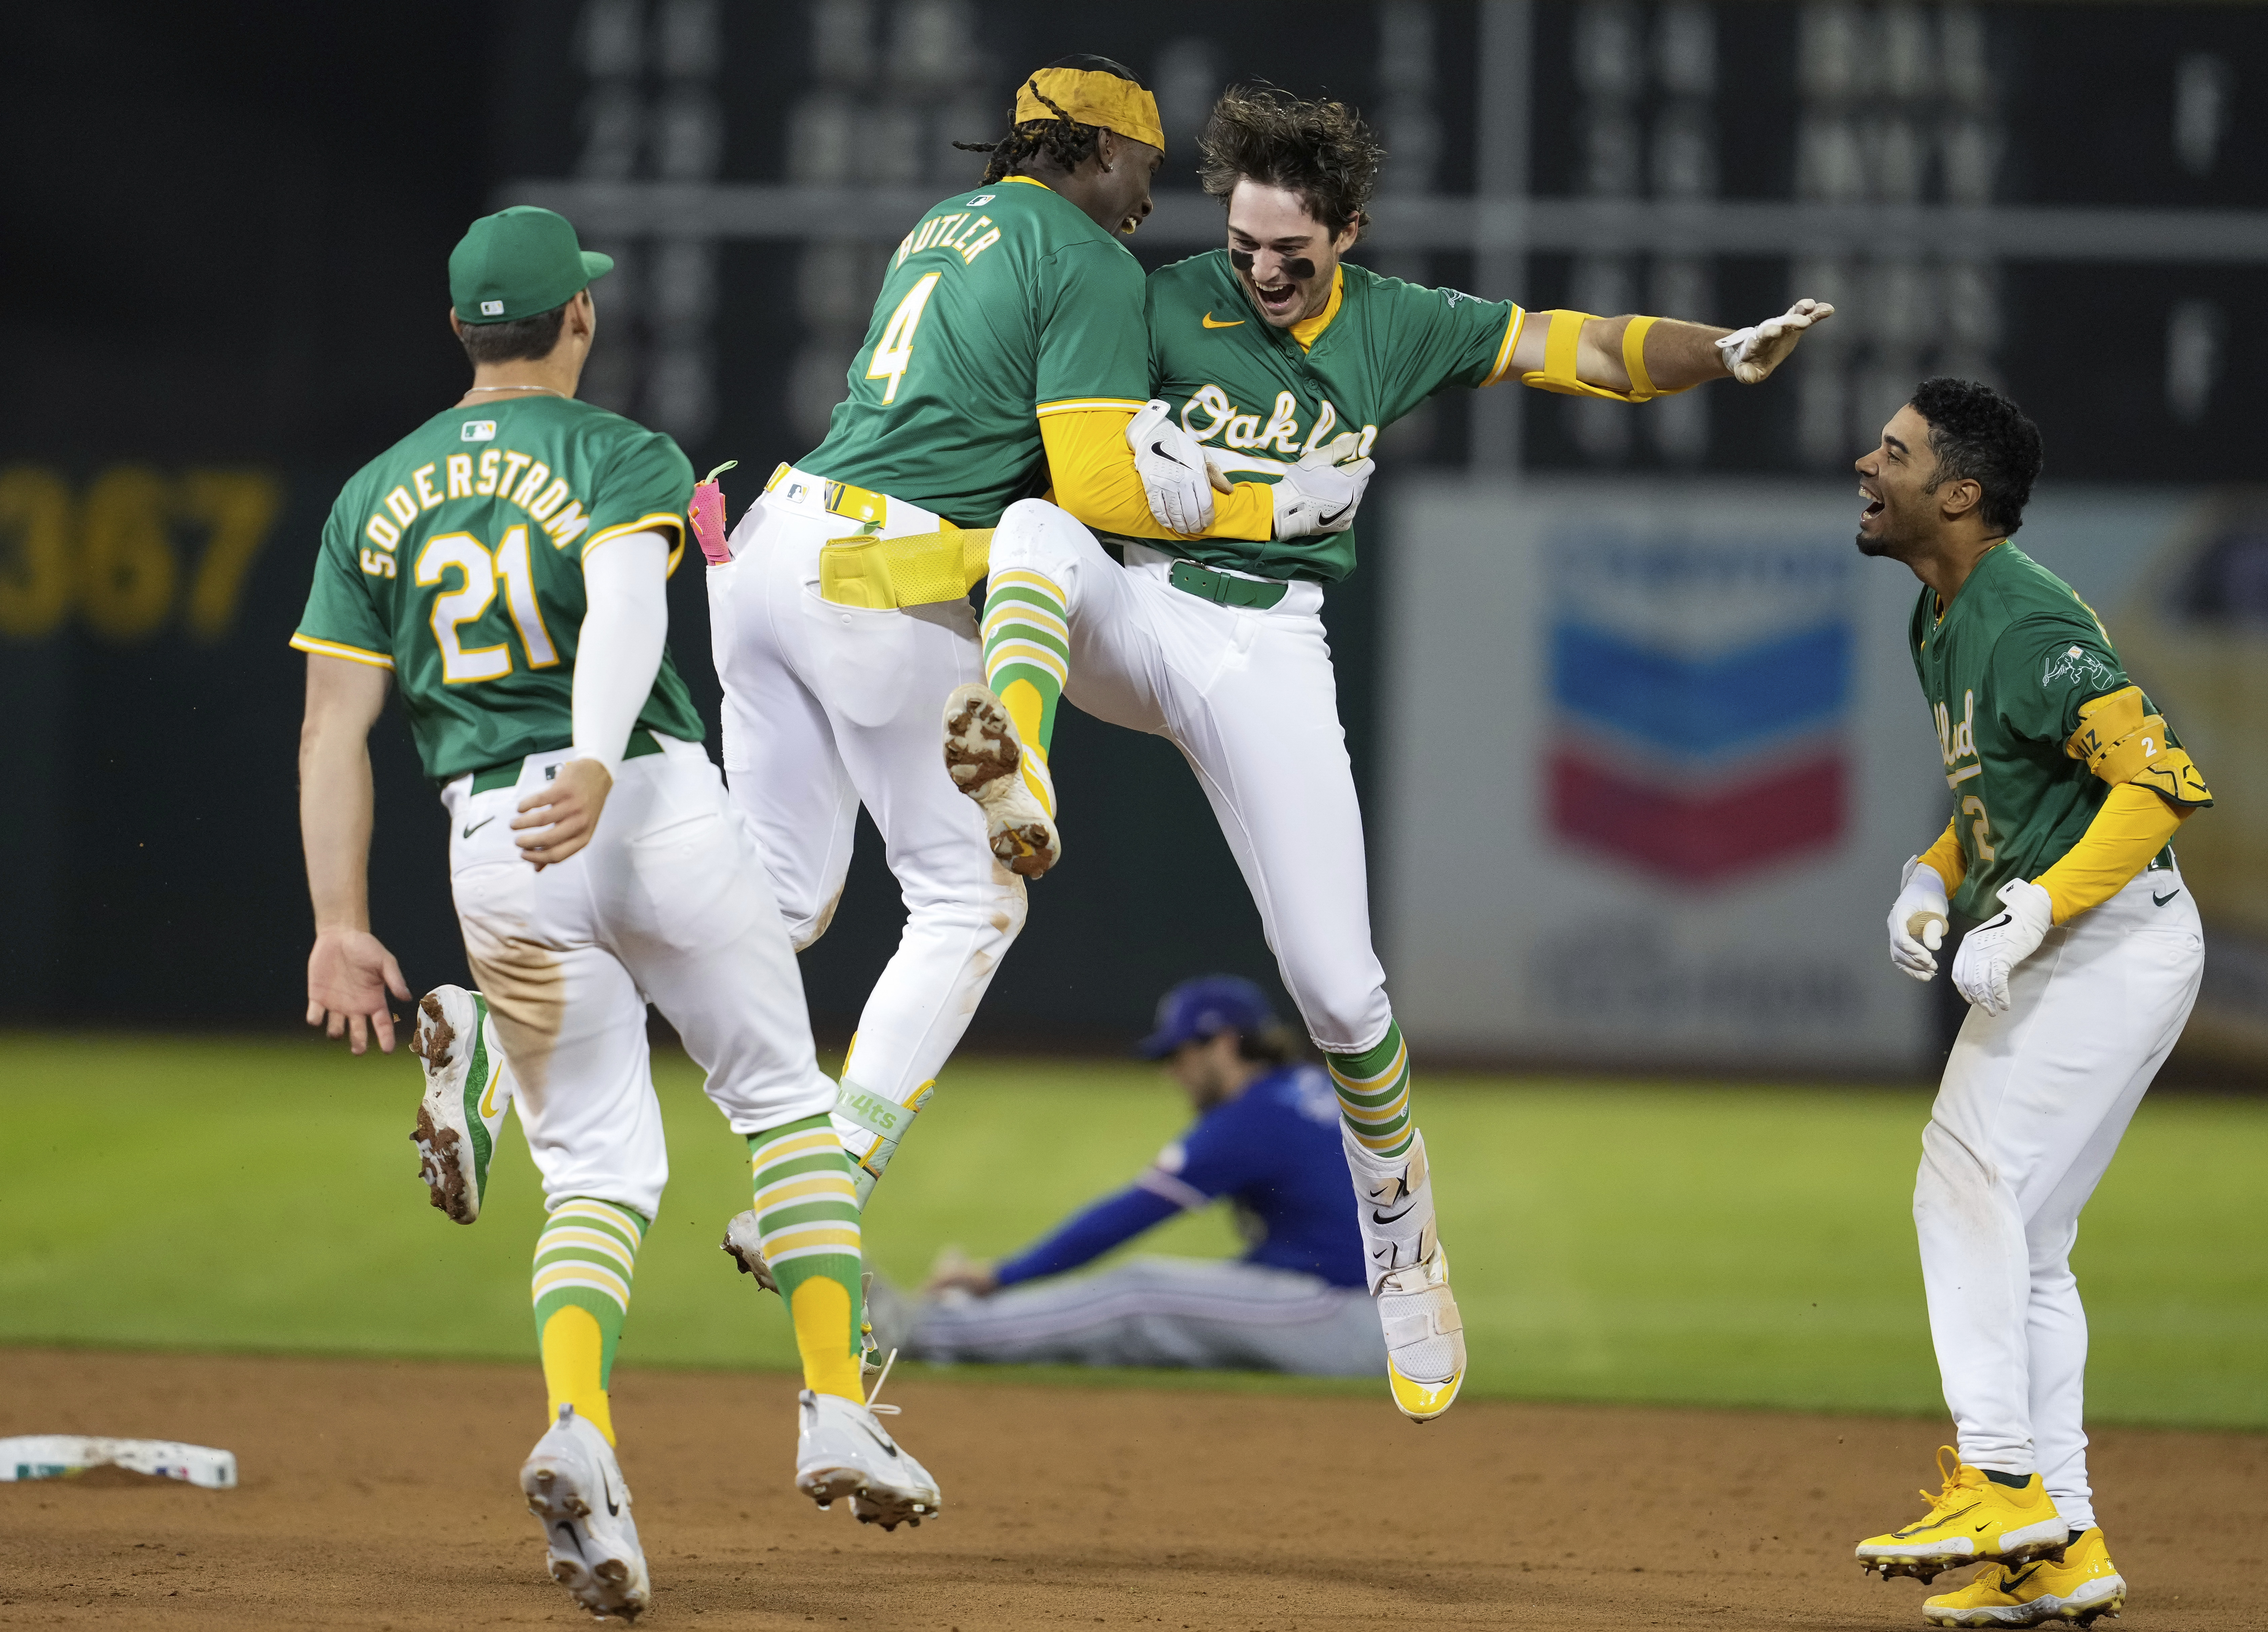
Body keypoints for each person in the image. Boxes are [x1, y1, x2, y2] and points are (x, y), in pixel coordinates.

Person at [943, 85, 1835, 1422]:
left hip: (1270, 650)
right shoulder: (1154, 296)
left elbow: (1577, 351)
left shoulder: (1403, 325)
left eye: (1287, 251)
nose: (1256, 270)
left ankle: (1404, 1241)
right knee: (1032, 540)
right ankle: (1021, 757)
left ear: (1347, 232)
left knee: (1338, 991)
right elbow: (1040, 432)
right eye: (1240, 242)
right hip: (1141, 612)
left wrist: (1714, 349)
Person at [291, 207, 938, 1620]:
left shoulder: (371, 494)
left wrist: (340, 920)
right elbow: (626, 606)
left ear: (460, 330)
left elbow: (331, 730)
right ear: (573, 321)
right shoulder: (619, 451)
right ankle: (834, 1402)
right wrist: (592, 756)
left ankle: (579, 1426)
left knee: (592, 1173)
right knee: (780, 1108)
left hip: (491, 848)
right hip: (639, 801)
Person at [700, 57, 1359, 1211]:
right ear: (1099, 151)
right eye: (1143, 167)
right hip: (875, 574)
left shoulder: (946, 220)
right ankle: (826, 1180)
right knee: (969, 900)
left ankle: (515, 1018)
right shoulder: (1085, 254)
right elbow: (1093, 485)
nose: (1148, 198)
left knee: (774, 900)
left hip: (766, 542)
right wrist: (1261, 503)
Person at [1848, 378, 2211, 1629]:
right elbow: (2000, 795)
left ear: (1958, 493)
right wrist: (1931, 876)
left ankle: (1996, 1479)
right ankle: (2060, 1544)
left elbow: (2156, 786)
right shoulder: (1938, 615)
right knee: (2027, 1245)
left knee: (1957, 1184)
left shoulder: (2018, 618)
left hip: (2108, 948)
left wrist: (2038, 907)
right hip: (2084, 945)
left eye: (1890, 452)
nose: (1864, 462)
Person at [734, 976, 1382, 1375]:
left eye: (1180, 1054)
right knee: (1152, 1321)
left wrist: (1000, 1275)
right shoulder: (1305, 1091)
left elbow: (1129, 1214)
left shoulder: (1254, 1116)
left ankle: (920, 1333)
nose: (1171, 1072)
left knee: (1141, 1292)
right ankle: (985, 1331)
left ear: (1223, 1044)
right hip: (1377, 1311)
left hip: (1340, 1315)